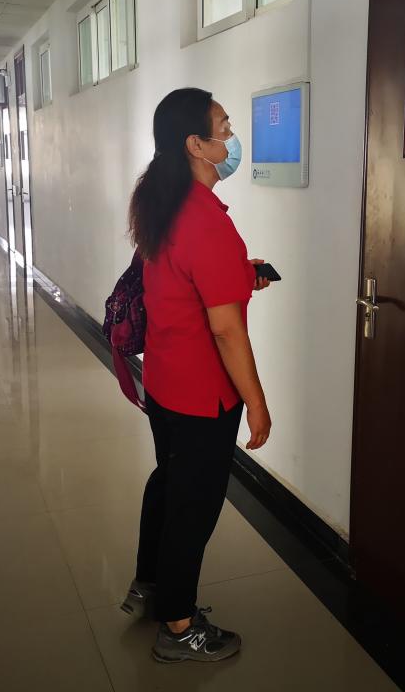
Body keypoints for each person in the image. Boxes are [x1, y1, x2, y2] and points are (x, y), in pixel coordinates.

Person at [120, 88, 273, 663]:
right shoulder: (204, 220)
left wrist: (241, 274)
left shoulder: (164, 205)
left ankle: (151, 586)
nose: (231, 138)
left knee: (169, 483)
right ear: (196, 145)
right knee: (194, 506)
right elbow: (226, 332)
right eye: (224, 127)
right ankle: (179, 628)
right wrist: (256, 402)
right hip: (203, 395)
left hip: (164, 381)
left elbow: (184, 284)